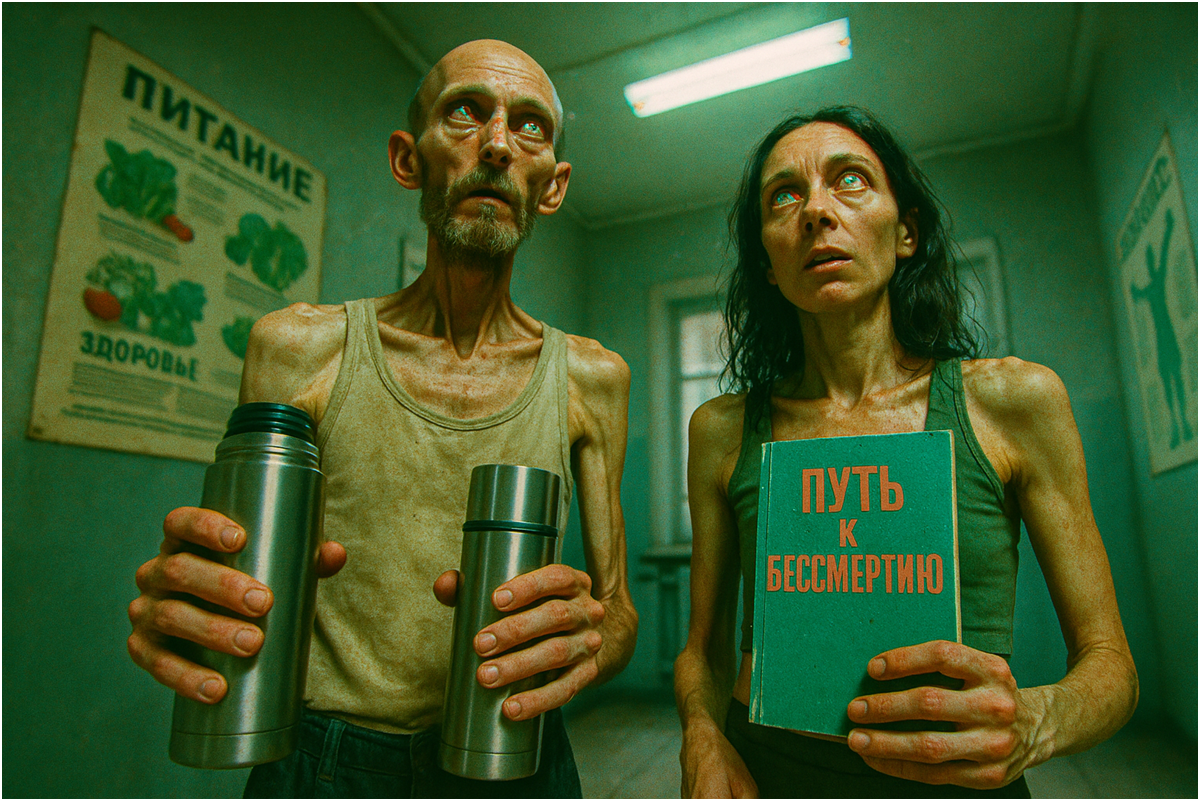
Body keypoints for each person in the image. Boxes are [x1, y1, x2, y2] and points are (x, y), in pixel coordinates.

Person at [127, 39, 638, 798]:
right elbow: (237, 572)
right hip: (324, 762)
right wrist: (192, 600)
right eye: (464, 113)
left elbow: (617, 607)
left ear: (553, 186)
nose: (498, 144)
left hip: (511, 747)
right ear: (408, 159)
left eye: (529, 126)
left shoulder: (592, 377)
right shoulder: (298, 347)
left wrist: (590, 642)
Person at [674, 105, 1137, 799]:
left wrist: (1035, 720)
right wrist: (702, 734)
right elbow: (703, 652)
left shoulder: (1013, 402)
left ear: (906, 233)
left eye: (850, 180)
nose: (817, 212)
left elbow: (1111, 666)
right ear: (767, 262)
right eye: (784, 196)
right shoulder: (722, 429)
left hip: (954, 778)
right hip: (766, 769)